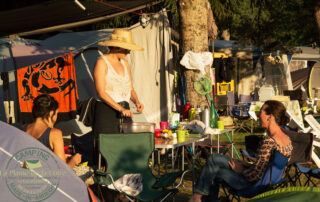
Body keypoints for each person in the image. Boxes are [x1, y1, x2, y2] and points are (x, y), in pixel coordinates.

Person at [189, 100, 293, 202]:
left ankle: (197, 196)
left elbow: (255, 176)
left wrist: (241, 170)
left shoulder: (269, 142)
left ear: (269, 117)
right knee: (215, 159)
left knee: (214, 169)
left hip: (252, 185)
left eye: (260, 112)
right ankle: (198, 196)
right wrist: (247, 164)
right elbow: (266, 166)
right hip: (267, 182)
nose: (257, 115)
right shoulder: (286, 139)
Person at [93, 29, 144, 144]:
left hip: (125, 109)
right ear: (116, 47)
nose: (129, 52)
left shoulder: (125, 63)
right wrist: (120, 109)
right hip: (107, 110)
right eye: (126, 49)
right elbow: (101, 92)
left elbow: (130, 88)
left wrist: (137, 102)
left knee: (126, 145)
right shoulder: (102, 62)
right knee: (108, 147)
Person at [24, 94, 81, 168]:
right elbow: (62, 170)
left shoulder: (23, 129)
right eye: (56, 113)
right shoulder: (54, 133)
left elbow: (27, 164)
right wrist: (74, 160)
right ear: (51, 113)